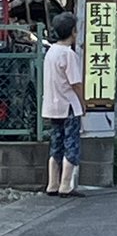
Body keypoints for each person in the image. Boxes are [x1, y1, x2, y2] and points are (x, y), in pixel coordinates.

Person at [42, 11, 87, 197]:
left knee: (56, 144)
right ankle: (66, 185)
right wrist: (83, 103)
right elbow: (75, 83)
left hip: (52, 105)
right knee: (71, 144)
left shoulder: (51, 51)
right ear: (72, 32)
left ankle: (52, 183)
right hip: (68, 105)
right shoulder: (68, 54)